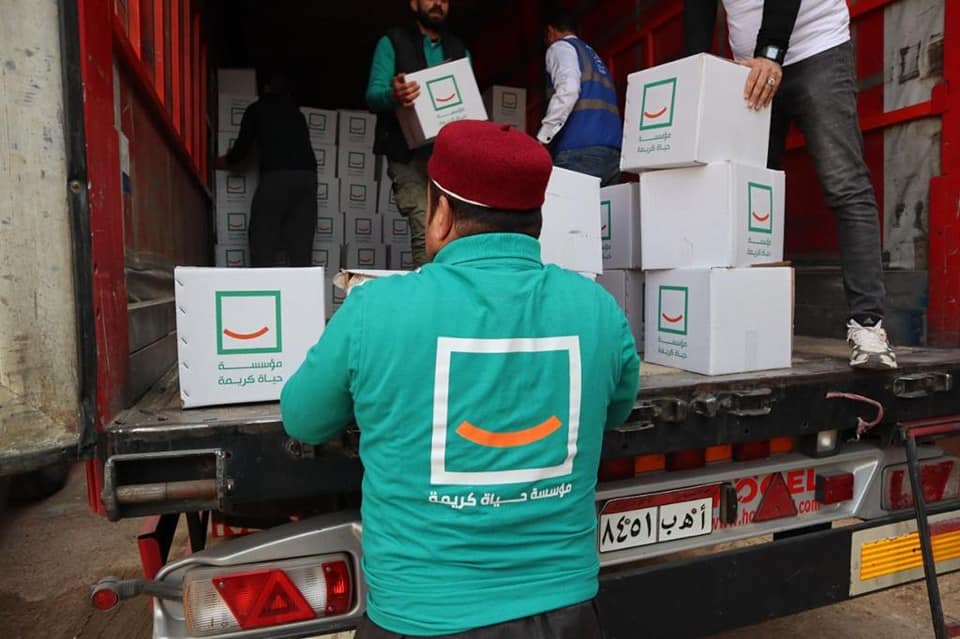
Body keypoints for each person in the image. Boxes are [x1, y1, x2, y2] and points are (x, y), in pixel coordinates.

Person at [281, 120, 640, 639]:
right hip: (567, 615)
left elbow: (304, 419)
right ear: (537, 218)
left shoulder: (374, 310)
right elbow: (616, 410)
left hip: (420, 618)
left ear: (441, 213)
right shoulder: (597, 310)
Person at [684, 0, 897, 370]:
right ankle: (747, 324)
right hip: (749, 65)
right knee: (747, 194)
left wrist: (770, 53)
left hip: (818, 45)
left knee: (845, 184)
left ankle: (868, 325)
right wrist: (695, 70)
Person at [367, 0, 471, 268]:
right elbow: (373, 95)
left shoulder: (459, 49)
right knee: (424, 224)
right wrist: (393, 94)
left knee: (454, 229)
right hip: (407, 155)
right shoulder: (392, 42)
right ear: (414, 4)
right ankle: (431, 290)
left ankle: (448, 285)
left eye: (444, 0)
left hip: (448, 158)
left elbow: (468, 98)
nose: (438, 3)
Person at [217, 73, 317, 267]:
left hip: (277, 176)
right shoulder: (297, 113)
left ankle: (261, 282)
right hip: (307, 178)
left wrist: (226, 161)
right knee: (301, 244)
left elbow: (242, 148)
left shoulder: (257, 109)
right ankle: (303, 283)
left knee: (262, 236)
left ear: (265, 88)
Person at [537, 9, 622, 186]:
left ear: (551, 31)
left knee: (569, 204)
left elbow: (568, 89)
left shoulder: (559, 48)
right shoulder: (592, 55)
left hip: (578, 151)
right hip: (612, 154)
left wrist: (543, 137)